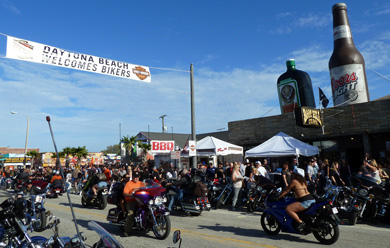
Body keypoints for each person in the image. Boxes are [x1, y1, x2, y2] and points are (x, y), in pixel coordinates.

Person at [277, 168, 315, 232]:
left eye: (293, 173)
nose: (292, 174)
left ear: (296, 175)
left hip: (305, 201)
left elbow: (286, 190)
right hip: (311, 199)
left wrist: (278, 197)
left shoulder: (294, 181)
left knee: (288, 209)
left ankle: (300, 222)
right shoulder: (303, 181)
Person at [122, 171, 145, 236]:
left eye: (138, 177)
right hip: (131, 201)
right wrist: (130, 195)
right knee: (131, 213)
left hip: (141, 200)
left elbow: (146, 189)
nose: (136, 178)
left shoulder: (141, 183)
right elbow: (124, 193)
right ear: (133, 177)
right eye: (135, 177)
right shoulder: (128, 184)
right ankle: (127, 230)